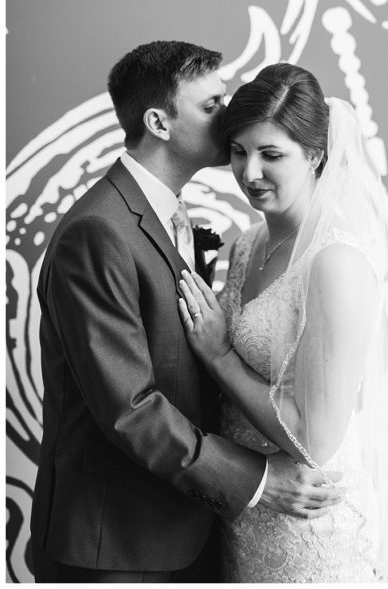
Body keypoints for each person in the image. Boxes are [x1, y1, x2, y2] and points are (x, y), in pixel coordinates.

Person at [31, 41, 344, 582]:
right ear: (158, 122)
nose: (229, 116)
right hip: (117, 543)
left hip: (191, 527)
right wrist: (259, 480)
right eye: (211, 106)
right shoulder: (99, 231)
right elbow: (130, 408)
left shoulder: (168, 215)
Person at [177, 63, 388, 581]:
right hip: (248, 510)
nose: (249, 172)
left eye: (271, 154)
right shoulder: (246, 245)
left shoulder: (335, 262)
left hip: (308, 527)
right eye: (239, 152)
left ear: (315, 155)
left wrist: (219, 355)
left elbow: (314, 441)